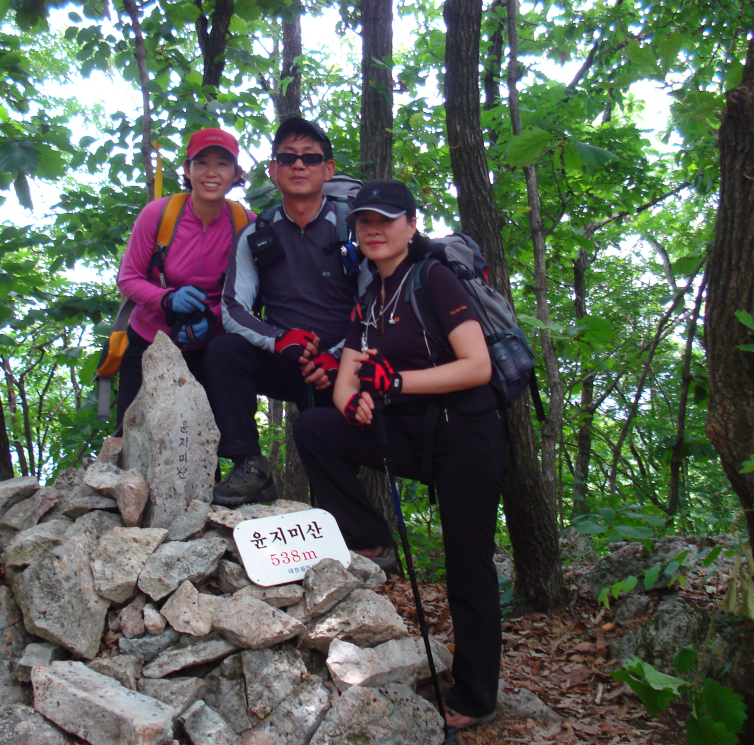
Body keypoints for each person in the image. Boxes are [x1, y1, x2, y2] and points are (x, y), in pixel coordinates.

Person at [292, 179, 508, 735]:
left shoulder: (433, 279)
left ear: (411, 224)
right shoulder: (369, 298)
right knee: (316, 427)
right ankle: (369, 536)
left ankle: (478, 691)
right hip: (413, 435)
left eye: (386, 220)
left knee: (467, 565)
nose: (374, 229)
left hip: (467, 435)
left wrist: (396, 383)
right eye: (364, 221)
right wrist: (360, 402)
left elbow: (477, 365)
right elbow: (345, 387)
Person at [204, 117, 359, 507]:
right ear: (273, 171)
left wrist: (339, 355)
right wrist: (278, 341)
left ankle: (357, 534)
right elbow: (233, 308)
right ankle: (250, 465)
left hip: (344, 363)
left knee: (333, 453)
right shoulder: (257, 234)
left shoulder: (355, 225)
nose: (299, 165)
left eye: (311, 157)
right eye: (287, 158)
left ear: (329, 168)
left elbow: (378, 302)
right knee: (224, 352)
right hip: (286, 357)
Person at [114, 128, 253, 433]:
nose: (211, 173)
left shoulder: (246, 223)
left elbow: (253, 294)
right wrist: (167, 299)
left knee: (201, 449)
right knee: (132, 437)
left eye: (222, 164)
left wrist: (214, 318)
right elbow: (128, 278)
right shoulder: (158, 215)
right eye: (201, 163)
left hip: (210, 350)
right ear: (187, 170)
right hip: (149, 342)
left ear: (236, 173)